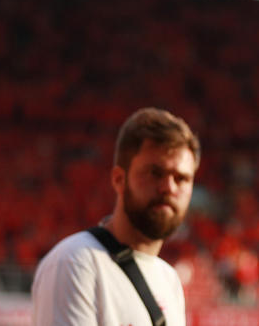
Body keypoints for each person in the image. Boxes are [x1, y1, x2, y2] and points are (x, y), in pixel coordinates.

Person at [32, 107, 200, 326]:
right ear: (119, 179)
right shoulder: (75, 263)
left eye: (181, 178)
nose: (168, 187)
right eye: (155, 173)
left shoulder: (169, 280)